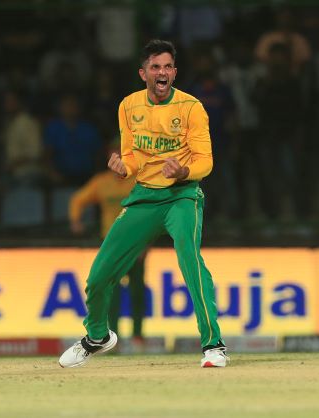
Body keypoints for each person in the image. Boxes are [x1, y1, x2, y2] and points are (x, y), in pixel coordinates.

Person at [59, 40, 228, 368]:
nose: (162, 72)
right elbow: (134, 155)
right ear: (143, 73)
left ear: (174, 72)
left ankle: (214, 346)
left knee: (190, 260)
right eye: (155, 67)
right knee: (98, 276)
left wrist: (184, 170)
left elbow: (206, 161)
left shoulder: (192, 108)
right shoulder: (128, 106)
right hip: (145, 197)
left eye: (167, 67)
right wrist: (126, 166)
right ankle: (97, 336)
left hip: (182, 195)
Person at [68, 140, 147, 347]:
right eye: (115, 154)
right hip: (111, 243)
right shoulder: (101, 182)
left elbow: (151, 212)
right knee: (110, 290)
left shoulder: (139, 179)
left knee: (137, 291)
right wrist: (76, 220)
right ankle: (114, 337)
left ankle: (138, 336)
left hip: (136, 242)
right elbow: (78, 199)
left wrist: (145, 242)